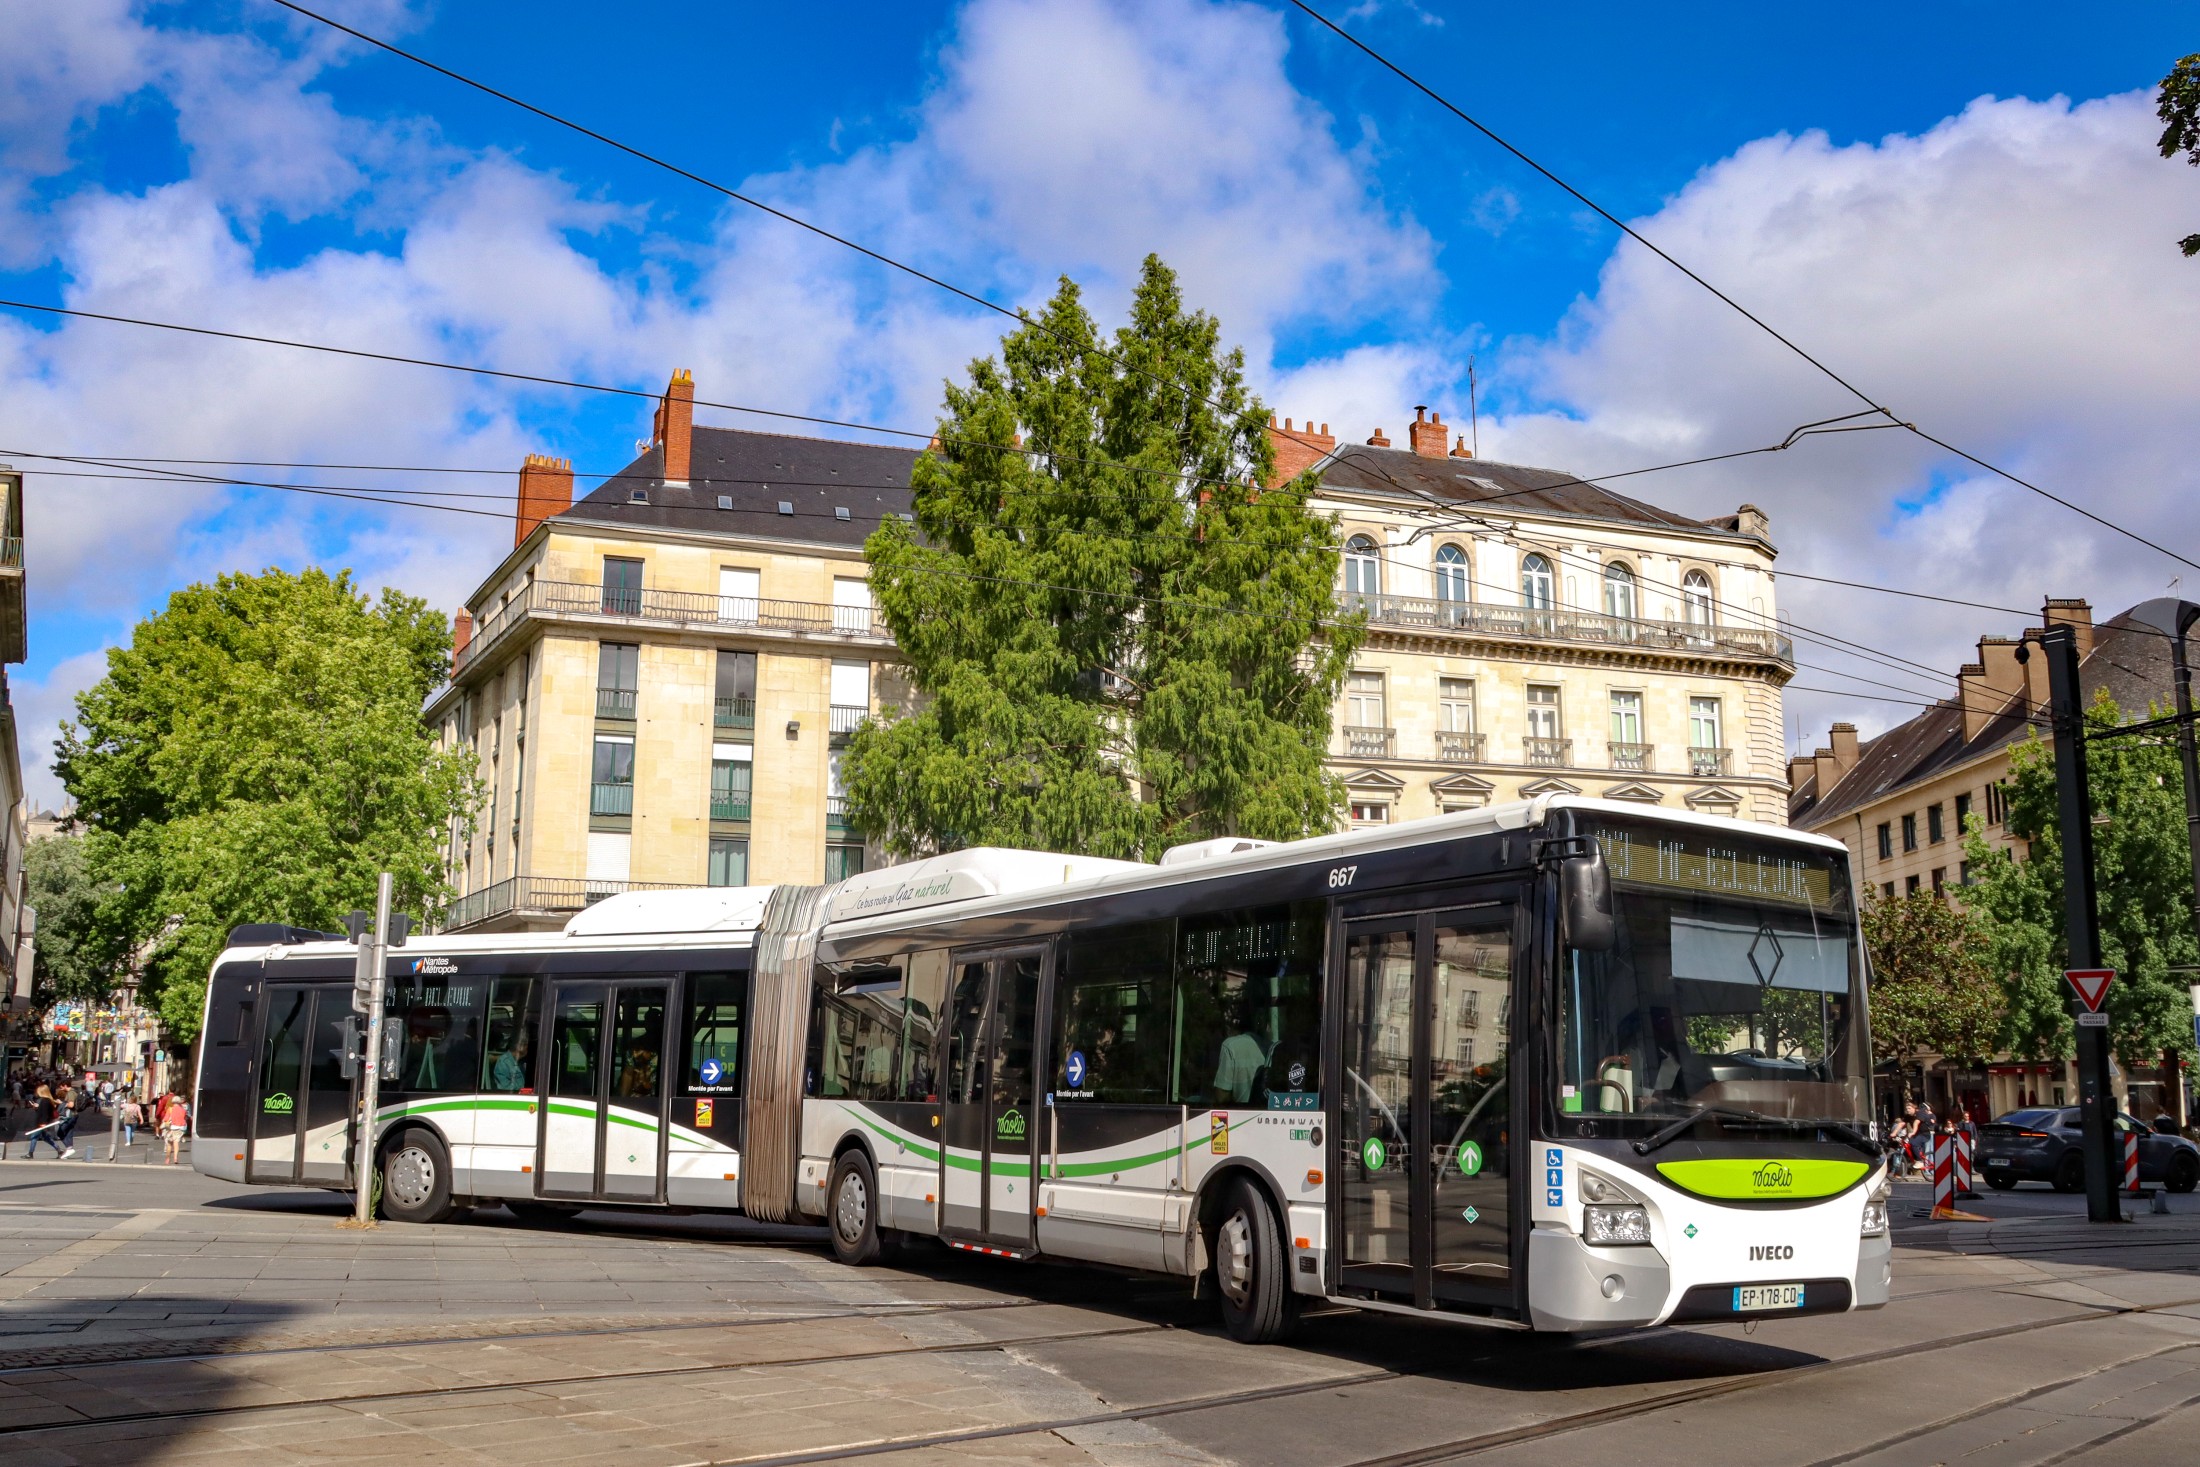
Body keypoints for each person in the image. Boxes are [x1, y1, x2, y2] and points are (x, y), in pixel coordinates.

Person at [23, 1084, 65, 1159]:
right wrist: (37, 1107)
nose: (37, 1093)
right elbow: (43, 1111)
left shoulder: (45, 1101)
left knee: (34, 1136)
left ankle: (30, 1153)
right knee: (46, 1137)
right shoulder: (47, 1100)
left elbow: (45, 1113)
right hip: (42, 1122)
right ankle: (59, 1150)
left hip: (41, 1122)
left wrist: (43, 1123)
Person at [157, 1091, 190, 1164]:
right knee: (176, 1142)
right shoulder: (183, 1110)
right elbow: (185, 1118)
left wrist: (163, 1122)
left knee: (169, 1143)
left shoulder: (170, 1109)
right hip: (181, 1128)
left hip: (172, 1128)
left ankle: (168, 1159)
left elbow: (166, 1119)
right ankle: (175, 1158)